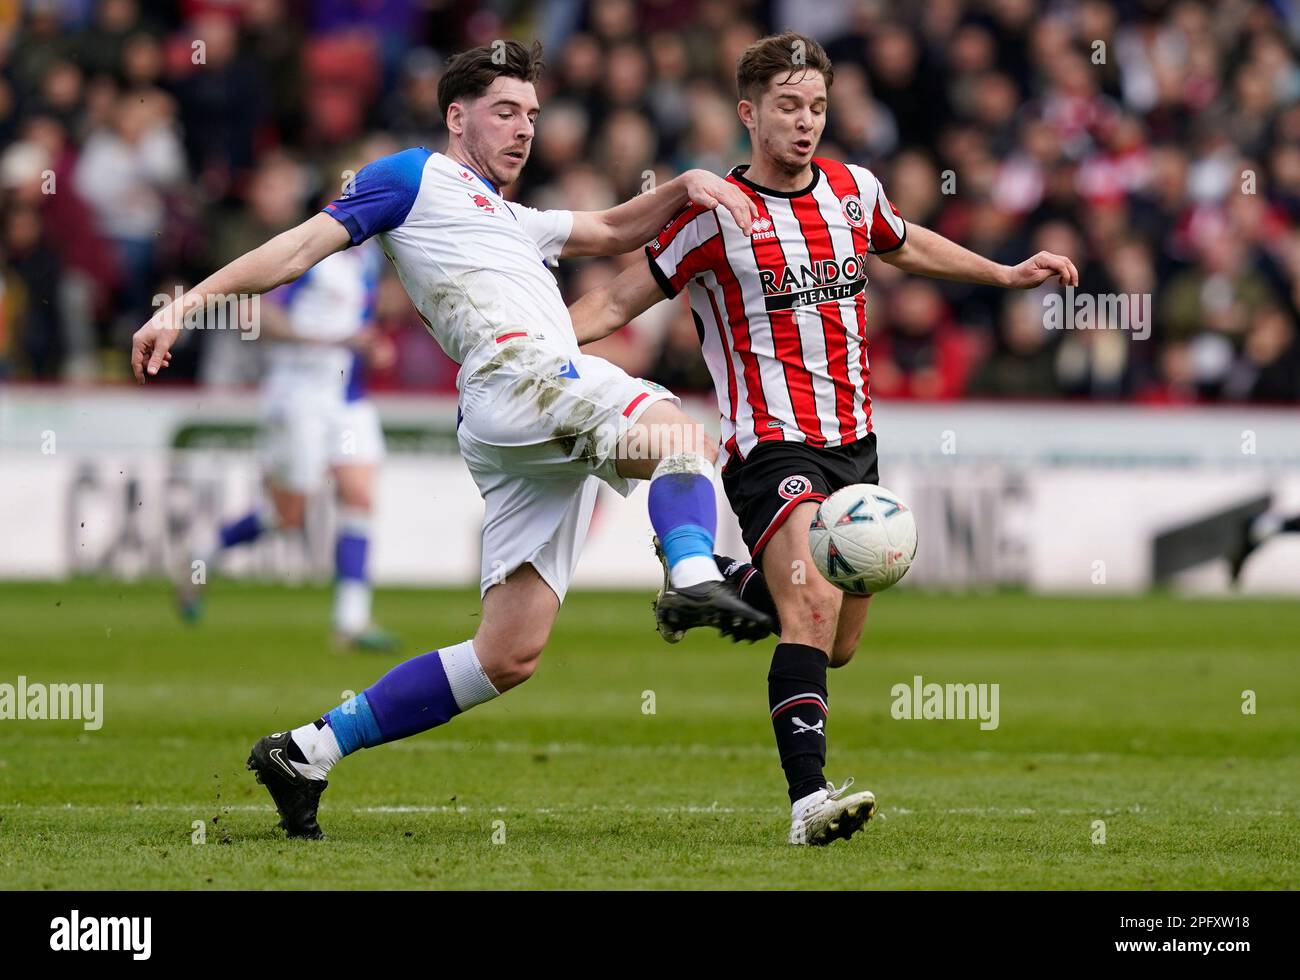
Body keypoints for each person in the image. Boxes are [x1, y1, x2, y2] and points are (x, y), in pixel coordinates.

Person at [130, 40, 770, 839]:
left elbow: (608, 228)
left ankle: (308, 750)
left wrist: (686, 185)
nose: (524, 129)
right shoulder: (412, 176)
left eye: (532, 115)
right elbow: (295, 249)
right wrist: (185, 304)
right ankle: (695, 573)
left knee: (507, 655)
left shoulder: (513, 216)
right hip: (517, 376)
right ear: (456, 116)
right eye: (505, 111)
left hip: (517, 414)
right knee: (679, 436)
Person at [567, 31, 1078, 845]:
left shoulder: (853, 188)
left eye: (816, 107)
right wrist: (528, 346)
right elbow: (618, 303)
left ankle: (716, 581)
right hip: (771, 448)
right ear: (749, 113)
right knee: (808, 609)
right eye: (787, 107)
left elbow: (904, 243)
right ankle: (809, 802)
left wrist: (1006, 273)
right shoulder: (713, 216)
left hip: (857, 447)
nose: (805, 122)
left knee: (836, 645)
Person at [180, 237, 400, 652]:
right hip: (299, 396)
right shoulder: (313, 254)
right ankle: (201, 555)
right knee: (288, 515)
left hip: (348, 399)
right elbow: (259, 316)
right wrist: (330, 340)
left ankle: (350, 623)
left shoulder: (370, 258)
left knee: (359, 496)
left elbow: (365, 322)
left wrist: (372, 345)